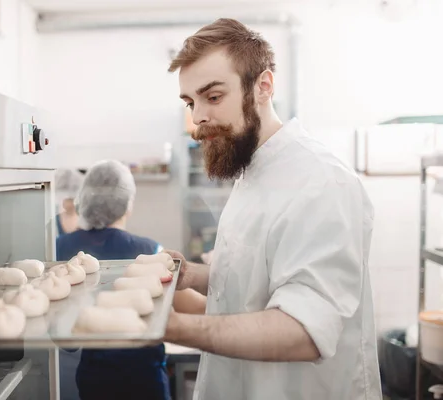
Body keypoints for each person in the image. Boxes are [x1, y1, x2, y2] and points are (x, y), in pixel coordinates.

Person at [162, 18, 381, 400]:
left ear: (262, 86)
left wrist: (171, 327)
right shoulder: (253, 169)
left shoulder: (321, 182)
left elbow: (305, 330)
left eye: (213, 97)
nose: (197, 118)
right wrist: (194, 276)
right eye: (190, 102)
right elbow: (260, 274)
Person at [56, 159, 170, 400]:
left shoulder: (58, 247)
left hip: (92, 380)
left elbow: (65, 338)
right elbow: (177, 305)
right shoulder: (149, 250)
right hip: (143, 377)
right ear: (127, 204)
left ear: (84, 199)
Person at [54, 169, 84, 237]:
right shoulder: (55, 220)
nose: (70, 204)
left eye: (71, 200)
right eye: (67, 200)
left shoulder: (85, 219)